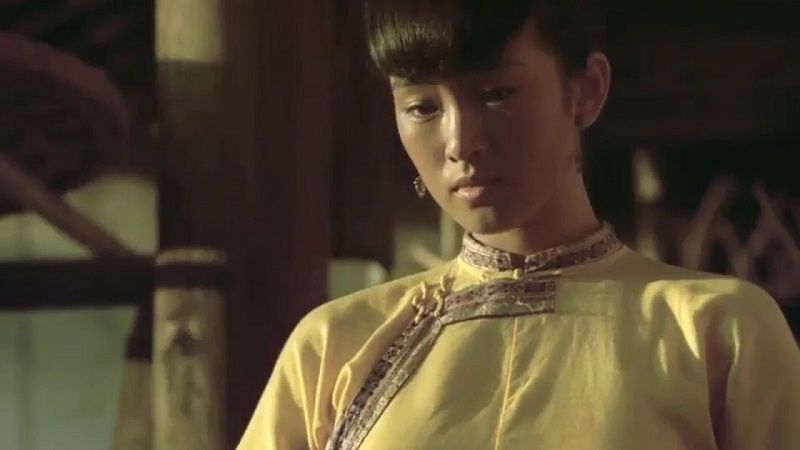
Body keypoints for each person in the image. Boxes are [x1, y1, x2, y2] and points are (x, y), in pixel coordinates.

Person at [238, 1, 800, 449]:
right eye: (422, 107)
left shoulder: (717, 330)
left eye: (495, 93)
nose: (460, 143)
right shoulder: (334, 346)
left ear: (586, 91)